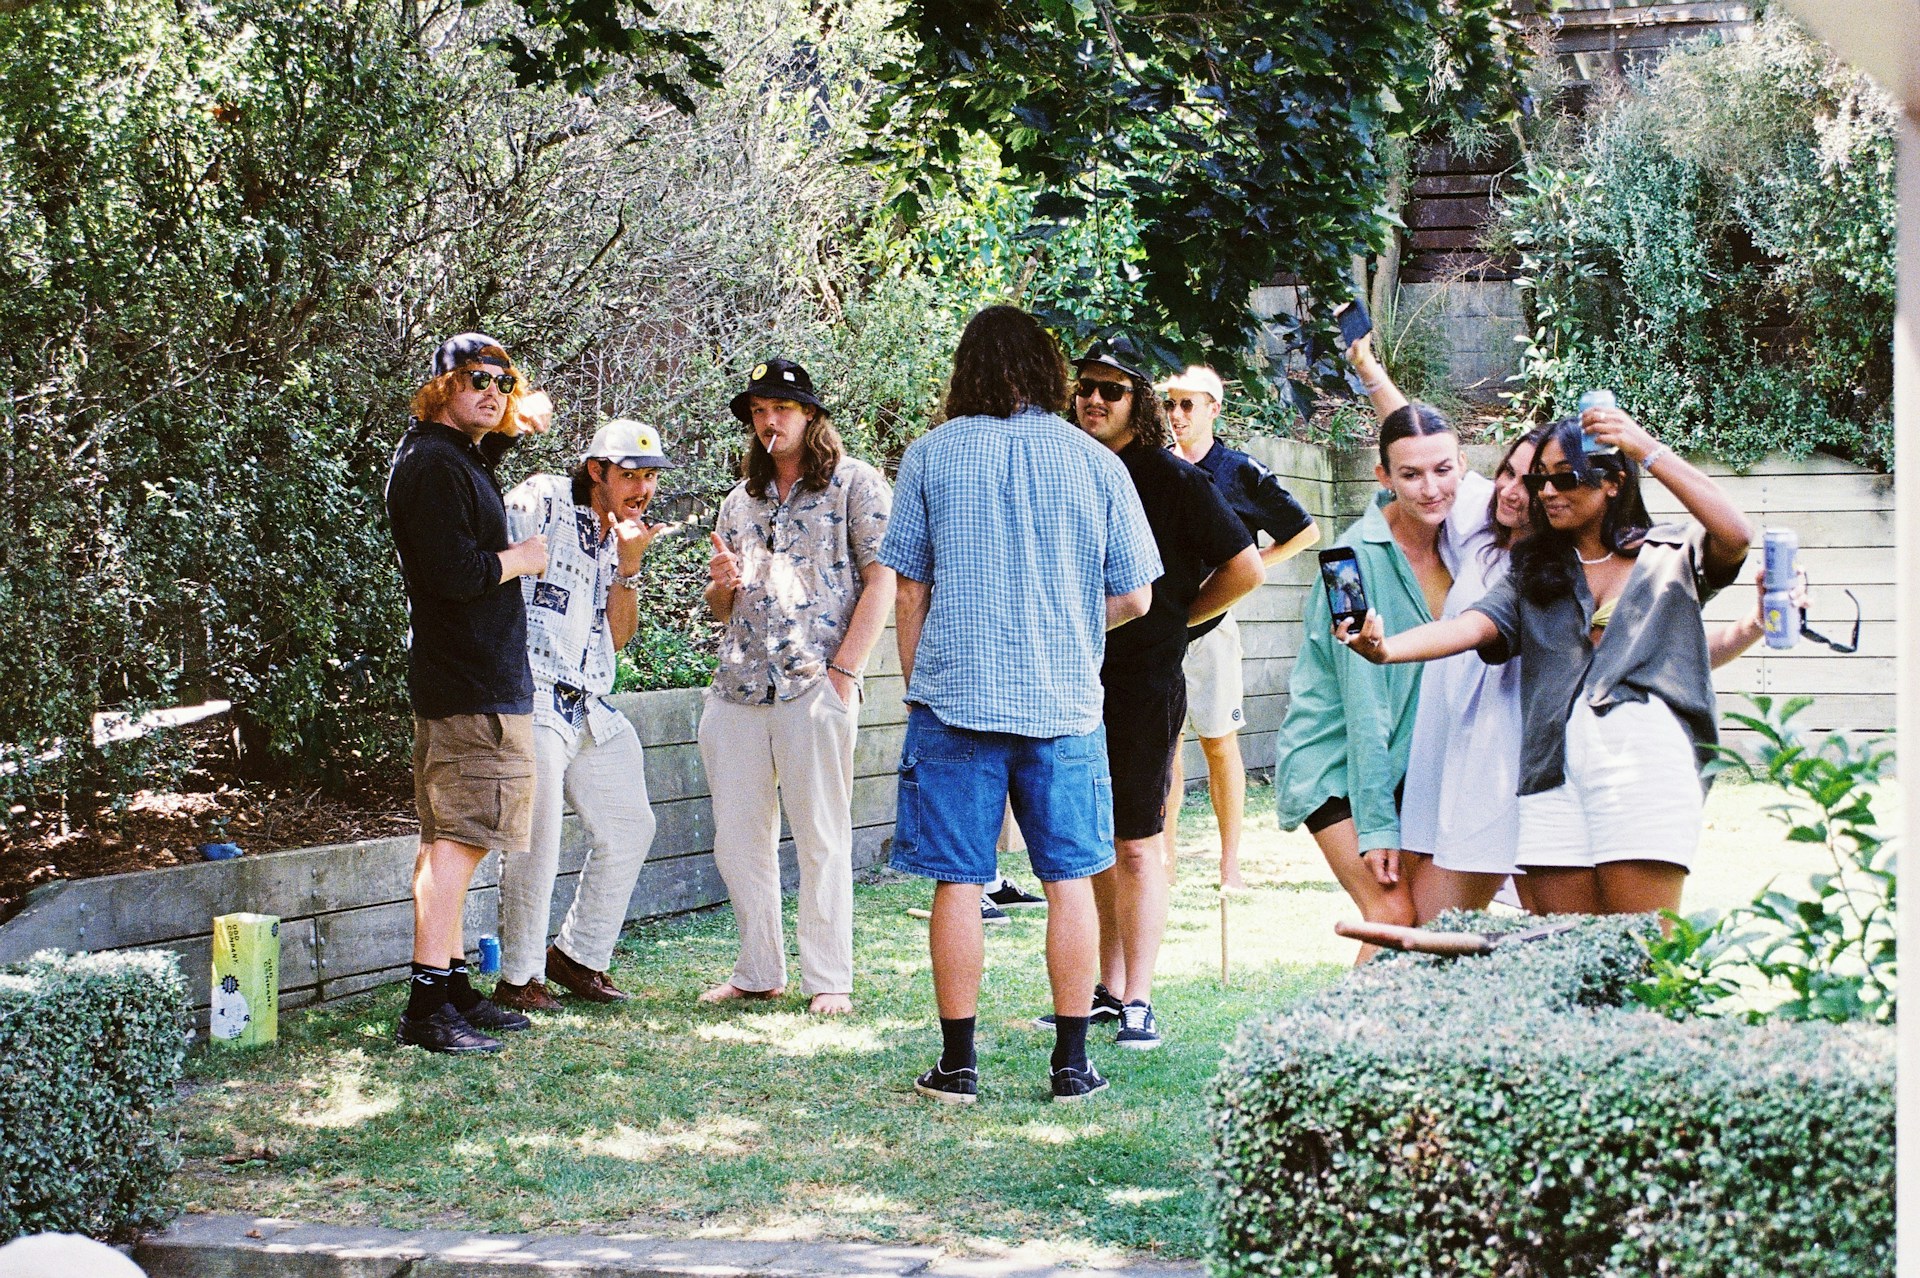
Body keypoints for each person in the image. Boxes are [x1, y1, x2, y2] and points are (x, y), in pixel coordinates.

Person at [881, 305, 1159, 1104]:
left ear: (966, 369)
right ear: (1048, 372)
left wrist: (916, 679)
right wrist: (1071, 621)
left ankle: (958, 1065)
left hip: (954, 698)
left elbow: (909, 586)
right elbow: (1137, 595)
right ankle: (1072, 1065)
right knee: (1070, 880)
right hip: (1064, 702)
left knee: (959, 882)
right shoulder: (1095, 461)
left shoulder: (931, 455)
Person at [1340, 406, 1752, 916]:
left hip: (1644, 760)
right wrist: (1386, 650)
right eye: (1541, 480)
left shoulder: (1669, 554)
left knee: (1643, 950)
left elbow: (1734, 534)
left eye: (1566, 479)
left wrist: (1646, 447)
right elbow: (1469, 627)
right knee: (1567, 949)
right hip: (1550, 769)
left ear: (1613, 484)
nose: (1547, 492)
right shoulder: (1533, 569)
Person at [1069, 341, 1262, 1049]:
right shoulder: (1068, 467)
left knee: (1140, 840)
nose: (1094, 399)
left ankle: (1140, 999)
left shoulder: (1173, 479)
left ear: (1138, 403)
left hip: (1146, 679)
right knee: (1093, 842)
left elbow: (1246, 567)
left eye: (1111, 391)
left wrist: (1182, 619)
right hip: (1069, 677)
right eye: (1086, 387)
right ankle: (1108, 987)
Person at [698, 359, 894, 1016]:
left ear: (809, 413)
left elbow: (883, 581)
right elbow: (723, 607)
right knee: (738, 839)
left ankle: (828, 980)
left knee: (821, 836)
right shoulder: (739, 500)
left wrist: (846, 674)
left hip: (817, 682)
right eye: (757, 411)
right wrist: (723, 586)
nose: (768, 421)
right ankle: (758, 970)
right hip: (739, 687)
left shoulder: (854, 484)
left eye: (780, 407)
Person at [1269, 379, 1488, 961]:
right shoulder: (1350, 564)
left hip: (1409, 763)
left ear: (1464, 466)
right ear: (1383, 477)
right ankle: (1338, 1050)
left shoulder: (1467, 541)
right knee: (1391, 914)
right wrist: (1379, 828)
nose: (1431, 488)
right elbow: (1365, 706)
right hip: (1335, 762)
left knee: (1425, 919)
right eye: (1411, 475)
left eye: (1443, 470)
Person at [384, 332, 549, 1053]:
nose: (493, 390)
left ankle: (451, 986)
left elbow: (471, 485)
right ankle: (427, 1006)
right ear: (440, 386)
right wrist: (520, 559)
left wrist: (511, 427)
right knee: (458, 841)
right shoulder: (429, 464)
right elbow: (454, 570)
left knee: (452, 839)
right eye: (477, 378)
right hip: (469, 685)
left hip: (470, 679)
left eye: (504, 381)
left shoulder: (450, 458)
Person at [492, 419, 672, 1012]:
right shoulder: (542, 497)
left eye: (649, 476)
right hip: (533, 687)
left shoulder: (621, 534)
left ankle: (576, 956)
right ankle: (518, 979)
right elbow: (482, 560)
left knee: (630, 825)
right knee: (535, 838)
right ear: (596, 470)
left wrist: (629, 566)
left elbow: (618, 638)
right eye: (630, 475)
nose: (642, 488)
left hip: (587, 699)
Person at [1160, 365, 1319, 890]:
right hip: (1160, 628)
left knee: (1218, 742)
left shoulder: (1239, 471)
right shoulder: (1154, 469)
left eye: (1189, 404)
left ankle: (1231, 866)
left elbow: (1304, 531)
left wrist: (1249, 567)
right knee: (1164, 747)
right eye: (1171, 404)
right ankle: (1166, 863)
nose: (1178, 415)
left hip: (1214, 629)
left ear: (1213, 409)